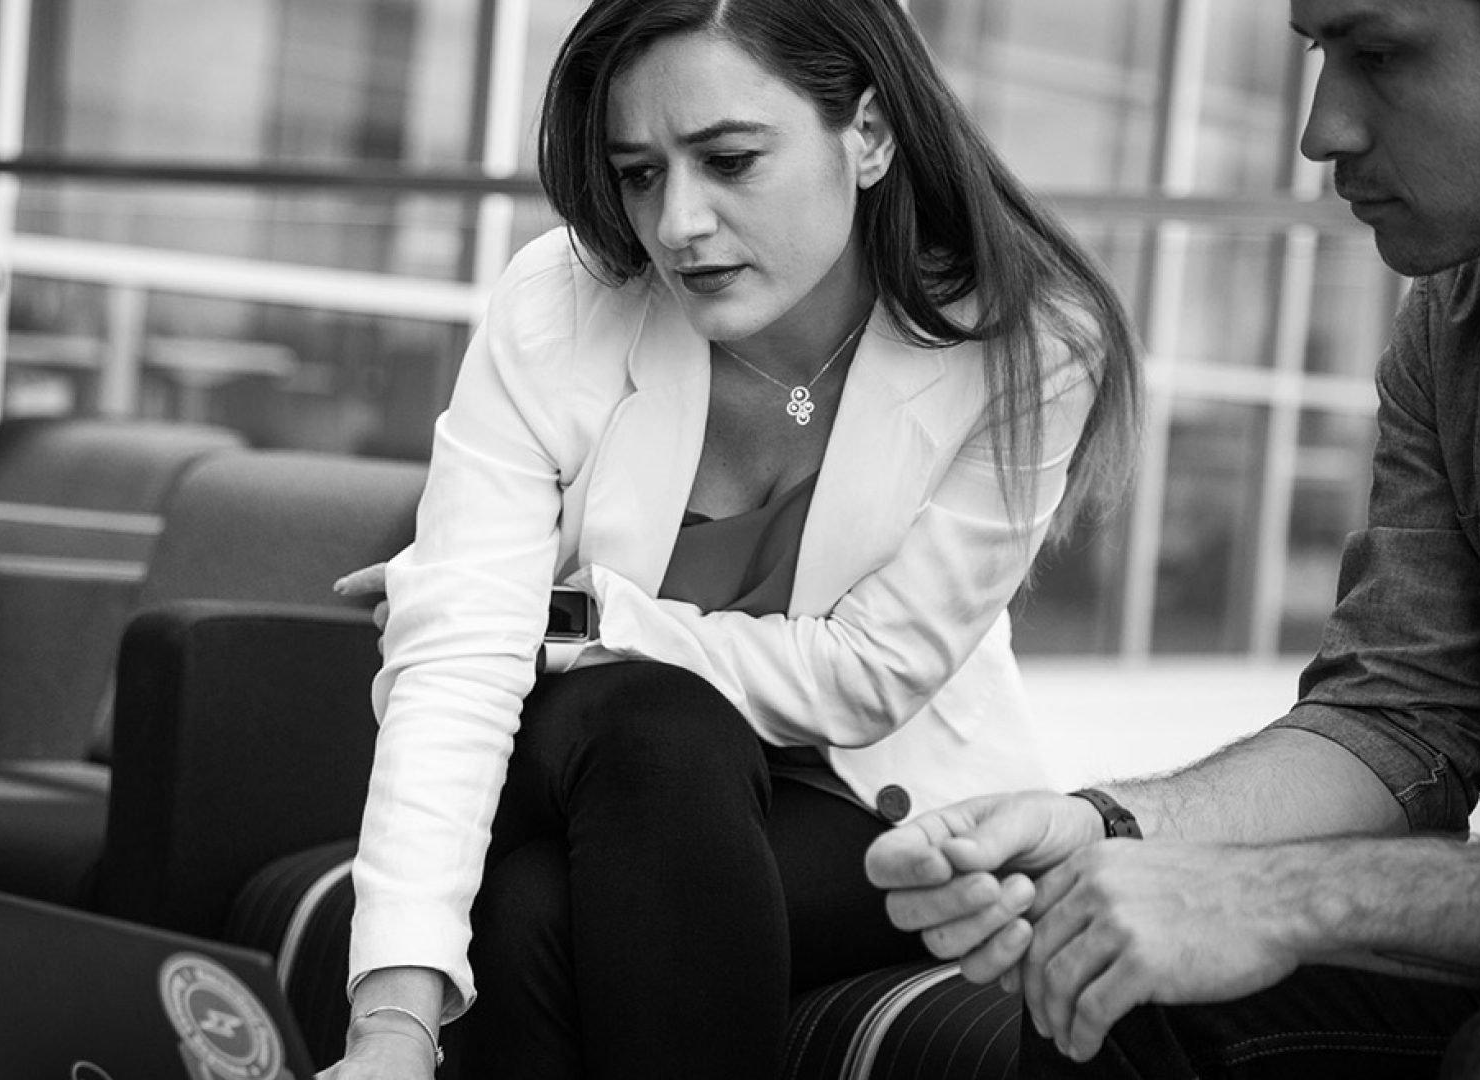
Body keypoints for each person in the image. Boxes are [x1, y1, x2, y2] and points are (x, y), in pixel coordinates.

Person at [317, 0, 1142, 1076]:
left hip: (862, 795)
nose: (677, 224)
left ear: (869, 134)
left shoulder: (1027, 341)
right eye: (639, 173)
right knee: (657, 722)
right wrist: (389, 1030)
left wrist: (572, 618)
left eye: (729, 160)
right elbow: (457, 663)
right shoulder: (560, 303)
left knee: (534, 912)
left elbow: (871, 674)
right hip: (589, 757)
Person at [867, 0, 1480, 1077]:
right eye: (1321, 55)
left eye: (1379, 54)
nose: (1321, 130)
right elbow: (1404, 722)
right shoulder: (1456, 320)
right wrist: (1105, 830)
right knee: (1112, 983)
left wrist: (1290, 895)